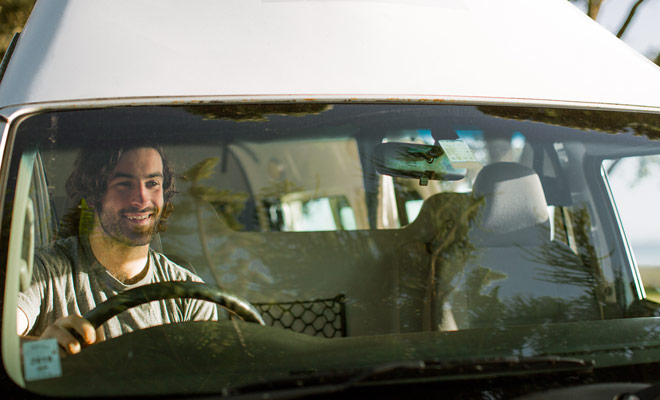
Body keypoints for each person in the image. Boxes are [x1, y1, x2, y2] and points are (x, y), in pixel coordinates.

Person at [17, 143, 218, 355]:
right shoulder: (44, 273)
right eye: (124, 184)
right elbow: (7, 345)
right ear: (94, 196)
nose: (141, 199)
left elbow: (203, 380)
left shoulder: (191, 295)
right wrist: (43, 351)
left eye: (152, 183)